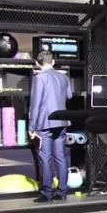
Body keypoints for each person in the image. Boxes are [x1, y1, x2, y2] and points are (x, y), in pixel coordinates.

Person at [28, 51, 72, 202]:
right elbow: (69, 96)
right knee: (60, 156)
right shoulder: (64, 77)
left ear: (37, 63)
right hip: (62, 121)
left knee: (45, 157)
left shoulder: (39, 78)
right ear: (53, 62)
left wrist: (32, 126)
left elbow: (35, 104)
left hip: (45, 122)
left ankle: (46, 193)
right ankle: (62, 191)